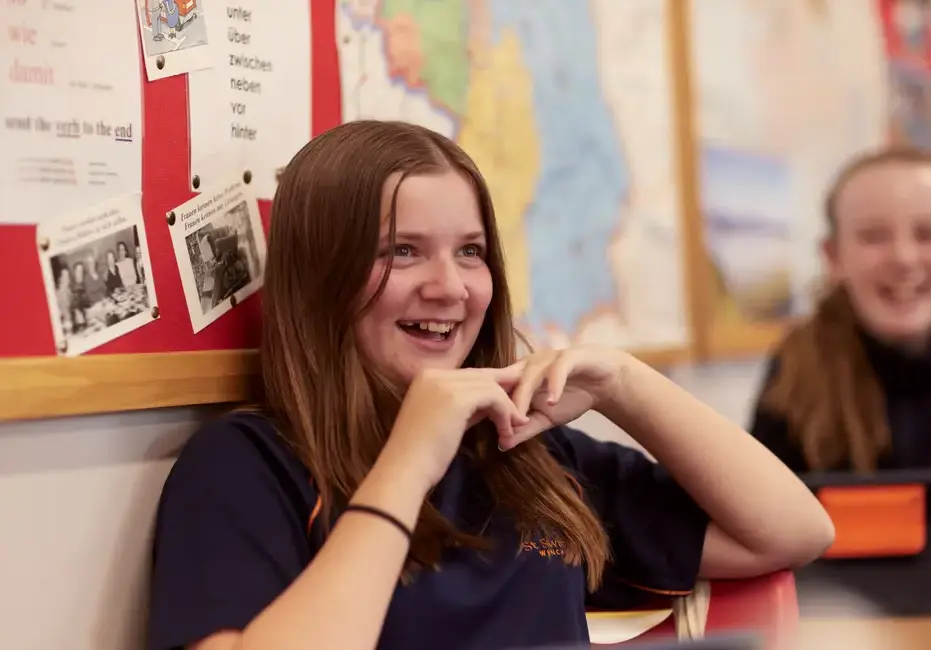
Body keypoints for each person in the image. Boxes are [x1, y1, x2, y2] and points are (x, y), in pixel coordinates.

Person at [147, 120, 833, 650]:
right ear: (322, 276)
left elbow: (792, 531)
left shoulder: (527, 459)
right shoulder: (244, 466)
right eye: (401, 251)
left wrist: (624, 383)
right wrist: (410, 459)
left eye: (470, 252)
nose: (449, 287)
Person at [749, 147, 931, 472]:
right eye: (873, 236)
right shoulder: (796, 371)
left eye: (926, 234)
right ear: (833, 256)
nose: (904, 258)